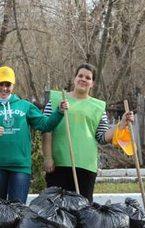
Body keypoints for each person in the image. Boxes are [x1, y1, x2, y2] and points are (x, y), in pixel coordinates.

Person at [0, 66, 70, 204]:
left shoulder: (25, 106)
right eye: (1, 84)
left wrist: (59, 112)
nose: (4, 88)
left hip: (20, 166)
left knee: (18, 209)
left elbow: (45, 124)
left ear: (13, 85)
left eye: (8, 85)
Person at [42, 63, 134, 202]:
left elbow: (102, 137)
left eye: (88, 78)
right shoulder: (56, 100)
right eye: (80, 76)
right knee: (57, 210)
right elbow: (46, 130)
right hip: (59, 164)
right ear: (74, 78)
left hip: (86, 165)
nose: (83, 79)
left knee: (83, 211)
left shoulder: (97, 107)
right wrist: (48, 157)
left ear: (92, 83)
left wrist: (121, 124)